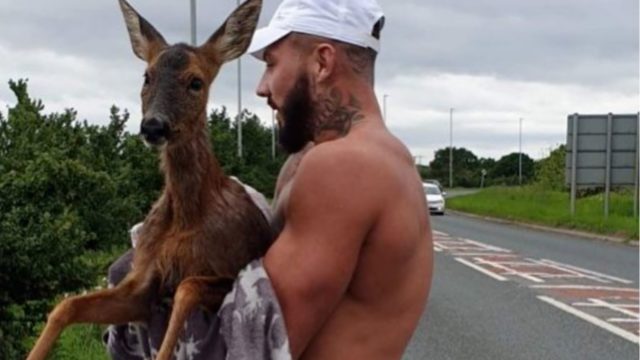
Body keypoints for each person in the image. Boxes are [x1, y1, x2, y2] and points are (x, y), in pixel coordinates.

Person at [247, 0, 434, 358]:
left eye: (271, 64)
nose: (262, 87)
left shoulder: (345, 166)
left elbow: (262, 344)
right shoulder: (380, 158)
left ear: (322, 62)